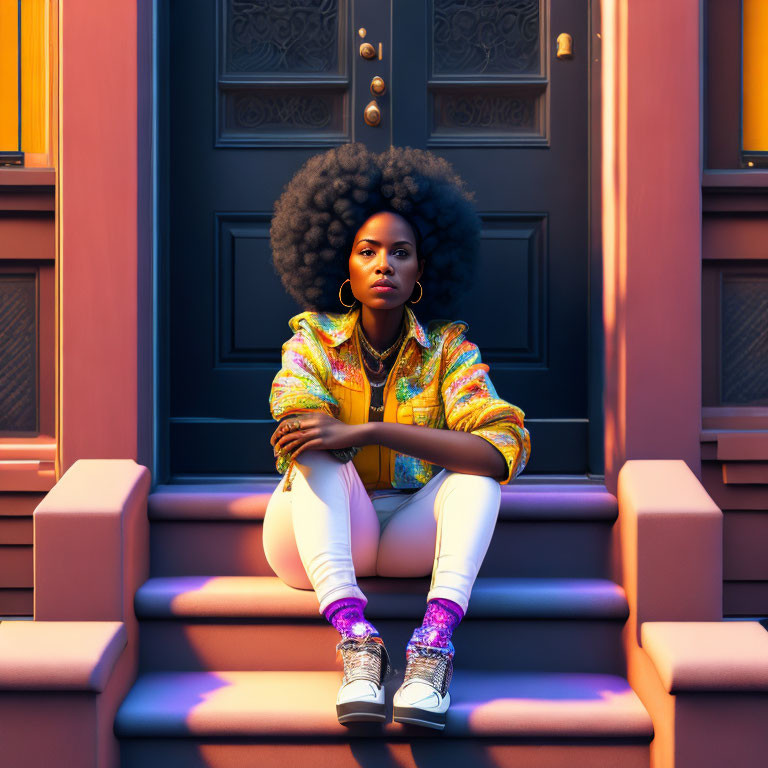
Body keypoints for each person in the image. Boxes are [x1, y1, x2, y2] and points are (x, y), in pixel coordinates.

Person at [263, 143, 531, 730]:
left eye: (400, 253)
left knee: (479, 481)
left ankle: (432, 650)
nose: (384, 264)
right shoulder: (309, 341)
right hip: (324, 531)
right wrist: (340, 438)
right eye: (368, 251)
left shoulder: (451, 349)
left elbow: (499, 446)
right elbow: (297, 433)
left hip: (413, 530)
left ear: (421, 272)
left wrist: (374, 429)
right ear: (345, 266)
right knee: (319, 457)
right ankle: (357, 643)